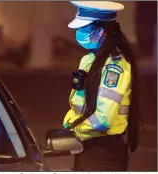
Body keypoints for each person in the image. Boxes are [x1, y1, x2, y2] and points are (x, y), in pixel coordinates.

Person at [63, 1, 142, 171]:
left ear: (101, 31)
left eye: (84, 28)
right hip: (87, 146)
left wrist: (74, 130)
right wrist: (71, 126)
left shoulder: (116, 66)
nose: (79, 33)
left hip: (104, 151)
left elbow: (102, 120)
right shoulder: (89, 59)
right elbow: (78, 102)